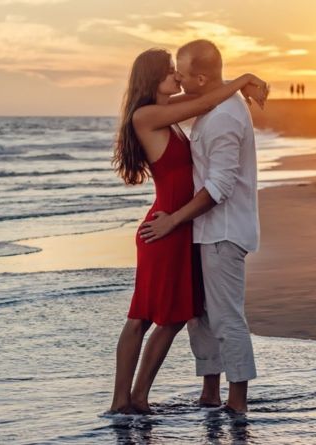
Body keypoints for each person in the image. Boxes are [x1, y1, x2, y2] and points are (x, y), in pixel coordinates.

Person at [109, 47, 268, 415]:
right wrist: (243, 79)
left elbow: (204, 93)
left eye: (178, 72)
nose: (176, 78)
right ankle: (124, 400)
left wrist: (234, 83)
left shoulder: (167, 111)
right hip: (166, 227)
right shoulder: (149, 115)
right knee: (145, 316)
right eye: (170, 72)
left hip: (181, 225)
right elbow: (203, 97)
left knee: (175, 315)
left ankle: (138, 399)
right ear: (153, 79)